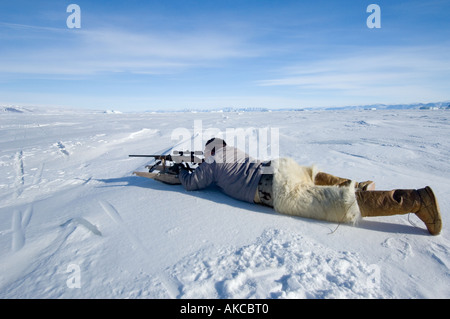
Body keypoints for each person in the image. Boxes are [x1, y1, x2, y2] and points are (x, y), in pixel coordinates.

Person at [158, 137, 442, 236]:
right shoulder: (233, 151)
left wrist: (184, 171)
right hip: (276, 166)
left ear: (209, 152)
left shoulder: (212, 162)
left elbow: (192, 184)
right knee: (313, 176)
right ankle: (356, 185)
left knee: (332, 203)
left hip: (270, 188)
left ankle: (416, 200)